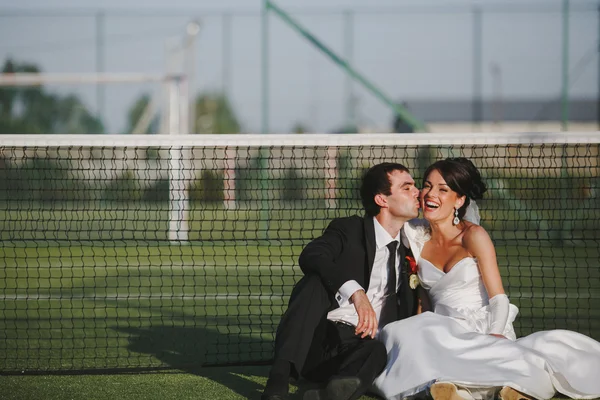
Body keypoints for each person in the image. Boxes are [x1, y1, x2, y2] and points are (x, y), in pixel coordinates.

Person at [373, 157, 600, 400]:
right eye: (427, 185)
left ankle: (511, 387)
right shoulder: (414, 234)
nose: (430, 194)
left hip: (482, 325)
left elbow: (499, 298)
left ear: (459, 200)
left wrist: (495, 335)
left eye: (443, 189)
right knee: (406, 332)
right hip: (440, 328)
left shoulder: (474, 235)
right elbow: (424, 300)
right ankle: (456, 391)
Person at [261, 162, 421, 400]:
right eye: (407, 188)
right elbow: (312, 254)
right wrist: (356, 292)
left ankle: (329, 394)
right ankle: (279, 379)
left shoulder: (414, 243)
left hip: (361, 348)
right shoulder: (349, 229)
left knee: (377, 351)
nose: (417, 191)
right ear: (382, 200)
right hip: (321, 341)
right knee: (314, 282)